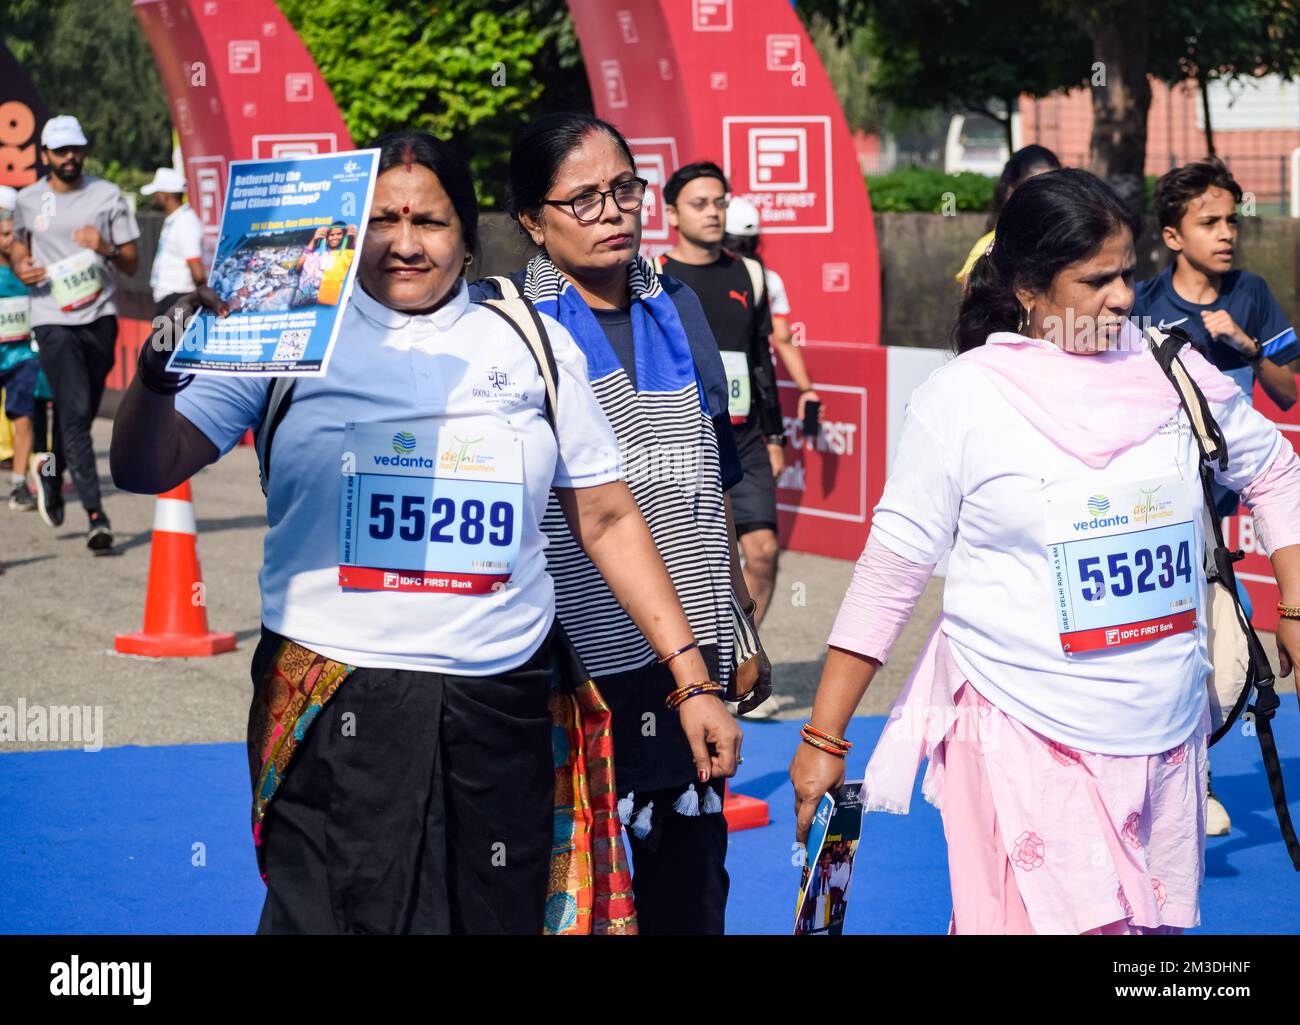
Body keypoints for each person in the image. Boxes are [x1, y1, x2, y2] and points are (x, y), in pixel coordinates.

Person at [110, 131, 741, 935]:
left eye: (431, 222)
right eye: (382, 220)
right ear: (344, 229)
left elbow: (610, 518)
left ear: (471, 236)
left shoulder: (535, 343)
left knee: (496, 914)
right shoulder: (285, 337)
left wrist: (691, 683)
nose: (405, 243)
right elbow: (148, 464)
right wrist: (159, 376)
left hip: (502, 710)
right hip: (333, 703)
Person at [791, 168, 1300, 934]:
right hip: (1022, 730)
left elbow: (1274, 468)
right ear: (1028, 287)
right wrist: (824, 736)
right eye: (1096, 280)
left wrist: (1293, 603)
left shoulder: (1167, 365)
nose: (1124, 297)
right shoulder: (965, 399)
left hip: (1162, 737)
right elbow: (891, 572)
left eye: (1127, 272)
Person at [474, 113, 754, 934]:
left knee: (690, 890)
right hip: (566, 664)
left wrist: (736, 625)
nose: (614, 212)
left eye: (625, 189)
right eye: (585, 198)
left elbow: (715, 479)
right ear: (532, 220)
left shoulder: (683, 309)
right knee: (567, 892)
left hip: (686, 659)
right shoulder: (504, 328)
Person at [1131, 157, 1300, 837]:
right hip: (1160, 518)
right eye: (1210, 222)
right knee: (1174, 648)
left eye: (1232, 219)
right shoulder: (1142, 304)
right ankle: (1184, 784)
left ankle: (1189, 770)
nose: (1227, 233)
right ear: (1174, 236)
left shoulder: (1252, 293)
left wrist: (1248, 346)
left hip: (1225, 516)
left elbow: (1287, 391)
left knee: (1228, 650)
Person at [660, 163, 786, 633]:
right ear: (672, 214)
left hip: (747, 437)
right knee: (682, 563)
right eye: (699, 204)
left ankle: (743, 655)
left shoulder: (750, 273)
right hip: (681, 437)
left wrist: (775, 434)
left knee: (763, 553)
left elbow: (761, 357)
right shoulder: (653, 277)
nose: (712, 213)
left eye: (720, 203)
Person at [11, 114, 140, 553]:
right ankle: (95, 516)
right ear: (45, 156)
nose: (70, 157)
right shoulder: (29, 200)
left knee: (79, 416)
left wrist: (102, 246)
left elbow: (130, 262)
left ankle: (48, 473)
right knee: (75, 409)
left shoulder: (106, 196)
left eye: (76, 149)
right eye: (61, 151)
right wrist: (21, 266)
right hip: (52, 318)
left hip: (99, 316)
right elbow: (18, 247)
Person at [722, 195, 820, 480]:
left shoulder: (762, 280)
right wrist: (806, 389)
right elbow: (783, 339)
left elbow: (782, 338)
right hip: (750, 404)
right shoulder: (768, 278)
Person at [955, 144, 1060, 286]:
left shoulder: (1070, 242)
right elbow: (973, 304)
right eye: (1033, 190)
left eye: (1053, 190)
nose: (1044, 200)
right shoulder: (986, 250)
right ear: (1010, 192)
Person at [0, 186, 38, 511]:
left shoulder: (30, 269)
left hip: (22, 356)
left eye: (12, 233)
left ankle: (19, 485)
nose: (7, 240)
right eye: (2, 234)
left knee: (23, 418)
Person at [141, 167, 206, 319]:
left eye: (157, 193)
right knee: (164, 343)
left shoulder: (185, 222)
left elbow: (197, 270)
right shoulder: (177, 220)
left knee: (169, 343)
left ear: (165, 195)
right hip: (172, 299)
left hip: (178, 299)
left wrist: (199, 298)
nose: (155, 197)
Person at [293, 220, 356, 307]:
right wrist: (314, 239)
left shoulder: (346, 250)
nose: (335, 237)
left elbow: (355, 264)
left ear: (343, 235)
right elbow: (298, 267)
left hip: (333, 299)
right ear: (326, 236)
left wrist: (354, 237)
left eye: (339, 234)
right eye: (331, 235)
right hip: (310, 299)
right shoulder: (318, 250)